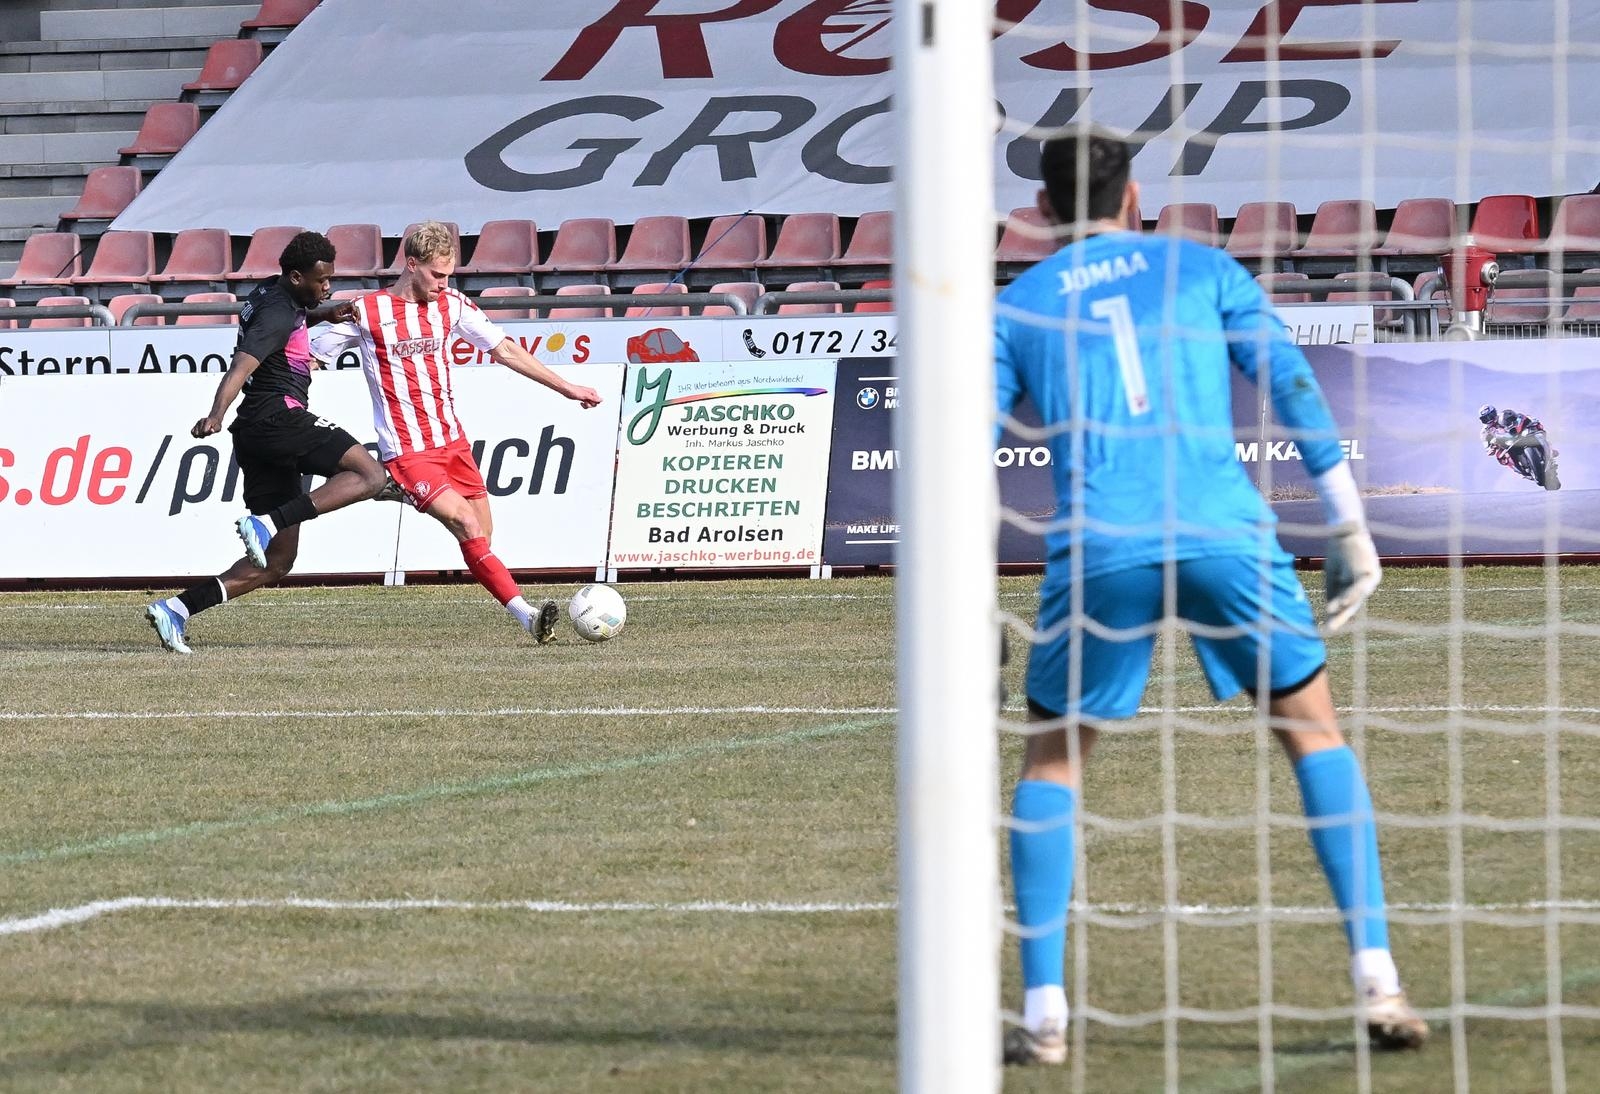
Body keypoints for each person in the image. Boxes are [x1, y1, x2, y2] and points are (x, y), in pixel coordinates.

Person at [994, 129, 1428, 1065]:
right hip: (1223, 534)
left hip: (1101, 545)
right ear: (1135, 198)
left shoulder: (1018, 304)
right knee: (1312, 731)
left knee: (1053, 760)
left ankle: (1045, 1014)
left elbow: (962, 439)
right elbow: (1289, 380)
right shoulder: (1201, 267)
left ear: (1040, 212)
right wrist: (1348, 523)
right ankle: (1378, 978)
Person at [309, 221, 604, 642]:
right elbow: (312, 354)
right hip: (407, 448)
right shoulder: (367, 311)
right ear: (412, 264)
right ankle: (529, 617)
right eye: (437, 274)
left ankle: (399, 491)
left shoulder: (452, 304)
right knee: (466, 522)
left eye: (449, 275)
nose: (444, 283)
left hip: (452, 443)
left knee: (482, 536)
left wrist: (567, 388)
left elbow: (504, 349)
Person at [145, 231, 388, 654]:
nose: (327, 286)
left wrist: (324, 314)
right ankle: (266, 523)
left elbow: (291, 317)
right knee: (370, 475)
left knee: (277, 562)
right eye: (321, 280)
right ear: (296, 277)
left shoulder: (273, 294)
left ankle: (176, 610)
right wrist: (215, 414)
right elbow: (241, 366)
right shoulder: (277, 313)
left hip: (255, 435)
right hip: (277, 418)